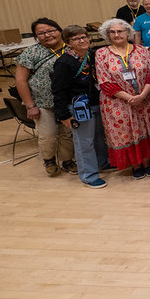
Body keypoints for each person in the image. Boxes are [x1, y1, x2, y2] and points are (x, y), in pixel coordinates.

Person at [95, 19, 150, 177]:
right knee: (126, 133)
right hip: (118, 103)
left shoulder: (141, 50)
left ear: (127, 33)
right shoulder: (101, 54)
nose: (117, 34)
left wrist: (143, 95)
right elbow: (104, 81)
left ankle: (147, 162)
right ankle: (136, 166)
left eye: (120, 31)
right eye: (112, 32)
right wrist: (130, 98)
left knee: (146, 129)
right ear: (107, 35)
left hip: (145, 99)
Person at [15, 17, 75, 176]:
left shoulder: (72, 48)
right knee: (48, 134)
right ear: (36, 37)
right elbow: (20, 80)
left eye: (51, 31)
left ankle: (68, 160)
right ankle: (49, 159)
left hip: (69, 100)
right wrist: (30, 105)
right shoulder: (31, 52)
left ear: (59, 30)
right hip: (43, 103)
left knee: (67, 134)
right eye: (41, 33)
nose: (47, 35)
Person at [51, 25, 108, 188]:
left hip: (96, 102)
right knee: (85, 142)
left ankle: (102, 163)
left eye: (84, 37)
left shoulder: (92, 55)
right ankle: (88, 175)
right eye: (76, 38)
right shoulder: (64, 62)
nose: (82, 40)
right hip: (78, 107)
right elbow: (58, 90)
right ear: (68, 43)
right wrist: (63, 115)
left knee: (99, 138)